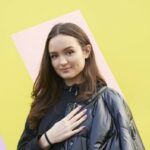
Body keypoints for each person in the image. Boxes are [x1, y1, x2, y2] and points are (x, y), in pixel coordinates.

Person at [17, 23, 144, 150]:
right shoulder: (44, 101)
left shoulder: (108, 100)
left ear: (86, 51)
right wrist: (47, 138)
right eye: (54, 56)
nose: (62, 62)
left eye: (69, 52)